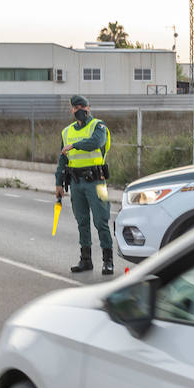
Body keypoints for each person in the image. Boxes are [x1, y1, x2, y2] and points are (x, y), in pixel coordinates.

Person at [55, 94, 114, 275]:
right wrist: (58, 183)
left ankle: (108, 260)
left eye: (82, 106)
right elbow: (62, 159)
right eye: (76, 107)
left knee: (101, 220)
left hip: (98, 182)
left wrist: (74, 145)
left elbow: (96, 142)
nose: (79, 110)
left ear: (89, 108)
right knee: (82, 221)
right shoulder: (67, 132)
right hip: (76, 183)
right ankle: (85, 260)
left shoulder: (99, 126)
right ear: (72, 110)